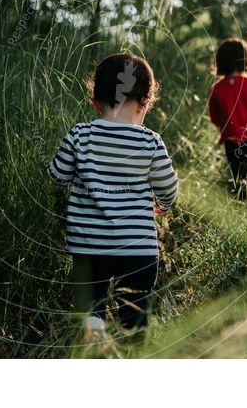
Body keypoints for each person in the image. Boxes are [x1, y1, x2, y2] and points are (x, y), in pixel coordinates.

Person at [47, 53, 178, 340]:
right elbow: (169, 187)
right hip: (138, 251)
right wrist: (163, 205)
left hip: (89, 246)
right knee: (134, 315)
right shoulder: (150, 141)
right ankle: (130, 345)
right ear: (145, 103)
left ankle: (94, 335)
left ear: (95, 101)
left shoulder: (81, 134)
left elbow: (57, 175)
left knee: (91, 307)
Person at [208, 39, 247, 199]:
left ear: (220, 61)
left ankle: (243, 208)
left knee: (240, 181)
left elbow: (215, 118)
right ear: (245, 59)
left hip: (232, 142)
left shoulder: (217, 89)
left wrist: (226, 128)